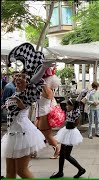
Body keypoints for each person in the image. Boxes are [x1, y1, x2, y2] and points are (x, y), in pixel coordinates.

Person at [1, 43, 54, 178]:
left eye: (23, 77)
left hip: (23, 135)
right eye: (17, 75)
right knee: (9, 173)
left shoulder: (28, 93)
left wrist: (43, 68)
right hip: (12, 135)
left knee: (22, 171)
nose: (19, 78)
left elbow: (34, 80)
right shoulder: (14, 93)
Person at [50, 97, 86, 178]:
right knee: (62, 154)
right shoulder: (70, 111)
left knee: (67, 155)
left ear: (72, 106)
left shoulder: (76, 112)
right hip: (66, 131)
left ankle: (81, 169)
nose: (66, 107)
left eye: (68, 105)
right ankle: (60, 172)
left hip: (71, 133)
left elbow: (76, 123)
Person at [34, 67, 61, 159]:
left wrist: (42, 83)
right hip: (40, 112)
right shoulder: (44, 87)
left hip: (44, 113)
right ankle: (34, 151)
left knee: (47, 135)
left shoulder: (46, 87)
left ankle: (57, 150)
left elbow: (48, 96)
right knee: (35, 132)